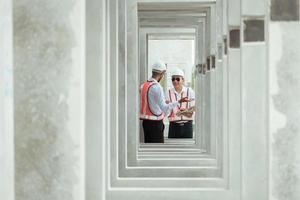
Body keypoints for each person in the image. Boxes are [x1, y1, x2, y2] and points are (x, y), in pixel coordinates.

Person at [140, 61, 189, 143]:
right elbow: (164, 108)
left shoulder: (143, 85)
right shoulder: (157, 87)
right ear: (162, 73)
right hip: (155, 124)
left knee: (149, 149)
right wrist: (178, 101)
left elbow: (148, 102)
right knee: (157, 151)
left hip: (145, 123)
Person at [166, 68, 195, 138]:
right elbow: (166, 109)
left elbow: (194, 108)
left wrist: (183, 112)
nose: (175, 81)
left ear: (183, 80)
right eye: (173, 79)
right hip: (173, 126)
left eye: (178, 79)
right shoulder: (168, 93)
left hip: (187, 126)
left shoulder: (190, 91)